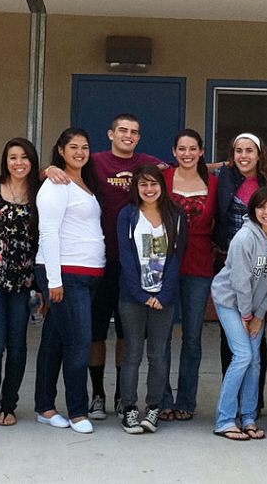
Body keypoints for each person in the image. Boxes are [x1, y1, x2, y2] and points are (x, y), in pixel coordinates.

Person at [45, 113, 165, 422]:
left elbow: (186, 166)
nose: (128, 135)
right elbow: (61, 169)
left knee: (127, 334)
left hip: (134, 265)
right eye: (122, 130)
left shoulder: (146, 162)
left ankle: (122, 396)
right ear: (110, 133)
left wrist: (222, 165)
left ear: (139, 138)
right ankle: (97, 393)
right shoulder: (93, 161)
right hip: (97, 265)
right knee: (94, 333)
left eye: (134, 132)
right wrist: (49, 169)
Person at [34, 128, 106, 434]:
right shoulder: (56, 184)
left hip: (87, 276)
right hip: (65, 275)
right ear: (60, 151)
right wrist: (53, 281)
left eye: (85, 147)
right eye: (73, 147)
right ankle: (78, 411)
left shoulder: (85, 183)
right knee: (79, 343)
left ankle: (45, 407)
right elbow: (48, 232)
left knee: (55, 340)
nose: (79, 152)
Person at [116, 166, 187, 435]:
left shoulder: (176, 215)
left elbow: (178, 256)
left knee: (158, 355)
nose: (148, 189)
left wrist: (163, 294)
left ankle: (153, 408)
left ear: (162, 186)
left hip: (164, 299)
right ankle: (130, 408)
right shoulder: (128, 215)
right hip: (133, 297)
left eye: (153, 184)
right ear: (136, 187)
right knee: (132, 354)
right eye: (143, 184)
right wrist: (142, 294)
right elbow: (125, 257)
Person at [0, 138, 40, 429]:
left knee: (17, 345)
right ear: (5, 160)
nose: (18, 163)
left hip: (23, 281)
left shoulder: (40, 191)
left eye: (24, 157)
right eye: (13, 157)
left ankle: (9, 404)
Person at [211, 186, 267, 440]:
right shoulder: (244, 238)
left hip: (255, 307)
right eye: (261, 207)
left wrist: (260, 313)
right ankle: (225, 419)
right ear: (253, 210)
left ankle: (248, 417)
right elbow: (240, 282)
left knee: (254, 360)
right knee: (242, 356)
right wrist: (248, 316)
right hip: (231, 302)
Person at [159, 129, 218, 421]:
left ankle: (186, 401)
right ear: (173, 151)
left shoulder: (215, 183)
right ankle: (163, 399)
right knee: (164, 335)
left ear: (202, 151)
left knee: (192, 337)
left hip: (199, 266)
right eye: (181, 148)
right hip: (166, 266)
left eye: (192, 148)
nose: (187, 154)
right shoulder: (163, 179)